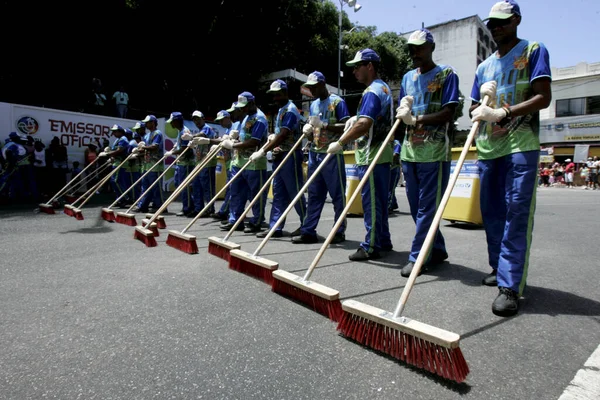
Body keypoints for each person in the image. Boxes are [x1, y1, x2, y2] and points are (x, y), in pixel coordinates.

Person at [470, 0, 552, 316]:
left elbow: (543, 97)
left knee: (516, 214)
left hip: (522, 145)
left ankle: (510, 286)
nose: (495, 28)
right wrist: (479, 107)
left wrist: (503, 111)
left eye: (502, 22)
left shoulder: (533, 50)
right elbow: (473, 109)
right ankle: (498, 268)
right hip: (490, 148)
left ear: (516, 20)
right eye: (492, 23)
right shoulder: (483, 67)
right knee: (490, 213)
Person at [396, 29, 460, 277]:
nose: (415, 52)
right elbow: (403, 114)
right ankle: (438, 248)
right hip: (410, 152)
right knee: (416, 207)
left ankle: (418, 257)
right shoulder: (407, 78)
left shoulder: (446, 74)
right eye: (412, 48)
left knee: (426, 209)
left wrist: (417, 119)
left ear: (431, 47)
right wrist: (403, 121)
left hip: (435, 153)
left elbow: (448, 112)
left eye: (420, 47)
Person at [333, 49, 394, 261]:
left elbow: (365, 123)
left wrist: (341, 141)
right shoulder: (384, 88)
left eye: (358, 66)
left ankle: (371, 245)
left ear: (370, 66)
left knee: (372, 204)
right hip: (381, 155)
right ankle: (383, 239)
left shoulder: (372, 91)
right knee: (379, 203)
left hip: (371, 156)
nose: (354, 71)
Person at [293, 71, 350, 244]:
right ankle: (308, 231)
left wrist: (325, 125)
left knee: (337, 195)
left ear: (323, 84)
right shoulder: (314, 105)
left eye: (314, 87)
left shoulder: (337, 102)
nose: (312, 91)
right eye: (309, 88)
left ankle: (339, 231)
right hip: (315, 154)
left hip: (332, 154)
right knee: (314, 194)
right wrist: (309, 132)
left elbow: (347, 126)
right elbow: (314, 133)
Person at [251, 79, 306, 238]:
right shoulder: (281, 110)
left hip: (290, 156)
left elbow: (283, 134)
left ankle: (306, 225)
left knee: (295, 191)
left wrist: (262, 150)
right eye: (273, 95)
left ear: (285, 93)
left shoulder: (290, 110)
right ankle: (275, 226)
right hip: (279, 155)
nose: (275, 98)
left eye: (278, 94)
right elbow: (278, 135)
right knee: (278, 191)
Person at [220, 92, 269, 233]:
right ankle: (235, 220)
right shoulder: (246, 117)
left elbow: (254, 141)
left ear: (252, 103)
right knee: (236, 192)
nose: (242, 110)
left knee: (256, 194)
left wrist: (233, 146)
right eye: (241, 107)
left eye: (245, 107)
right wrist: (234, 139)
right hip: (239, 161)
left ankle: (257, 221)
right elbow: (243, 138)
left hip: (254, 162)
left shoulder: (260, 119)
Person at [165, 112, 196, 217]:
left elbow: (185, 150)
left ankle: (187, 208)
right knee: (179, 185)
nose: (171, 124)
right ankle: (188, 205)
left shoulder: (184, 132)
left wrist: (172, 153)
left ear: (177, 121)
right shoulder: (180, 131)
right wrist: (175, 147)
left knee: (185, 186)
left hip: (186, 163)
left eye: (172, 122)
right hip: (180, 163)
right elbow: (180, 146)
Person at [210, 109, 238, 220]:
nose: (220, 123)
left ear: (227, 118)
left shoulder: (235, 126)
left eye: (222, 120)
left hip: (234, 161)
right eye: (219, 121)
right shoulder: (227, 130)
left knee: (231, 188)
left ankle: (224, 211)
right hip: (228, 162)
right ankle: (234, 211)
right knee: (232, 188)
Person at [135, 115, 165, 213]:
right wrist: (139, 150)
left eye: (147, 122)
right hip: (146, 165)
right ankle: (143, 205)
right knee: (145, 187)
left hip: (155, 165)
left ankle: (160, 206)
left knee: (156, 188)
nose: (146, 124)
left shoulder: (157, 133)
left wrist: (144, 148)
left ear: (153, 123)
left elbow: (155, 147)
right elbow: (145, 149)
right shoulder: (147, 136)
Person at [190, 111, 217, 217]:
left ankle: (209, 209)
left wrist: (192, 137)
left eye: (198, 119)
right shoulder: (199, 130)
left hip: (208, 163)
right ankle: (198, 208)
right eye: (194, 120)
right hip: (199, 163)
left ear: (203, 118)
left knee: (208, 187)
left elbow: (202, 135)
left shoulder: (207, 128)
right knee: (197, 186)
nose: (196, 121)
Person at [99, 124, 130, 206]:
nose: (113, 133)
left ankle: (125, 197)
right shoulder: (117, 140)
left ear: (120, 131)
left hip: (120, 163)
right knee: (116, 182)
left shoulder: (123, 139)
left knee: (115, 181)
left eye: (115, 132)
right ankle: (120, 198)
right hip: (116, 162)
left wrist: (108, 154)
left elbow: (119, 150)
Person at [388, 138, 402, 212]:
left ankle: (389, 206)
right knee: (388, 188)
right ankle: (393, 204)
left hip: (394, 168)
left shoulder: (396, 143)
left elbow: (395, 154)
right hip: (388, 168)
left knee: (391, 188)